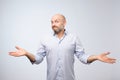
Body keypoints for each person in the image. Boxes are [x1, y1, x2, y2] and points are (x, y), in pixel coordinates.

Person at [9, 14, 116, 80]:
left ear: (64, 23)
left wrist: (96, 57)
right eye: (51, 22)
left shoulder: (74, 38)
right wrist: (27, 54)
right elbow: (38, 59)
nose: (53, 24)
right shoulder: (45, 39)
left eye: (56, 21)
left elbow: (83, 57)